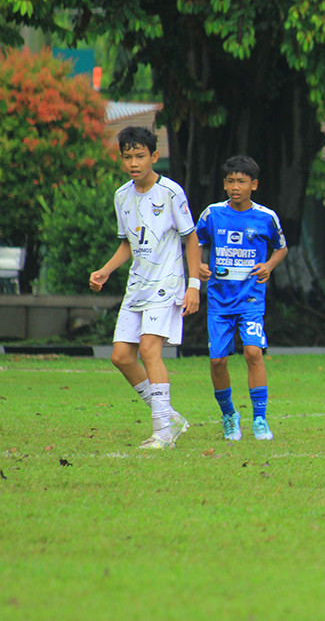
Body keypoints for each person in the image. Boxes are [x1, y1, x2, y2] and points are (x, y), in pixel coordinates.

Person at [89, 126, 200, 449]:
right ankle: (171, 417)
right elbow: (129, 243)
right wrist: (106, 270)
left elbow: (191, 237)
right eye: (128, 157)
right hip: (137, 286)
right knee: (122, 357)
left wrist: (193, 285)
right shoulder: (122, 196)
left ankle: (163, 433)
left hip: (167, 283)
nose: (134, 163)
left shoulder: (171, 192)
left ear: (154, 156)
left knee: (150, 350)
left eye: (140, 156)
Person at [195, 155, 288, 441]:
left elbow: (281, 247)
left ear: (254, 185)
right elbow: (195, 242)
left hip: (251, 300)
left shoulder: (266, 217)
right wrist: (198, 265)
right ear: (224, 184)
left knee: (253, 353)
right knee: (217, 361)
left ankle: (259, 419)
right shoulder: (212, 214)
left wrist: (269, 265)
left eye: (242, 182)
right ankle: (229, 415)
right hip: (219, 301)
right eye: (231, 181)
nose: (236, 187)